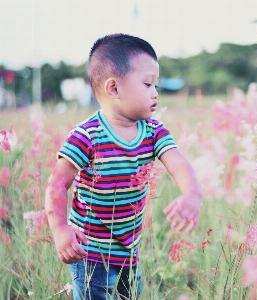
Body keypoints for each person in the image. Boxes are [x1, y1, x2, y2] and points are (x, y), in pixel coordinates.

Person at [44, 33, 202, 300]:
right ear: (114, 88)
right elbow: (57, 183)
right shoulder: (88, 135)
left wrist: (192, 193)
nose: (155, 93)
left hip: (130, 253)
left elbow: (178, 162)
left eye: (156, 86)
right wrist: (60, 228)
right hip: (90, 255)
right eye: (148, 84)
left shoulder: (153, 131)